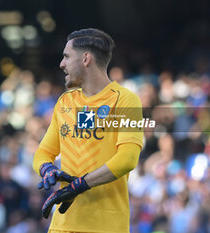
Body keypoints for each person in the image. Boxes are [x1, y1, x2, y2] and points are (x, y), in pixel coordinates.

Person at [32, 28, 144, 233]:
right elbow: (43, 153)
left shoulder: (126, 100)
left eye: (66, 56)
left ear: (86, 59)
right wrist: (47, 169)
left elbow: (127, 158)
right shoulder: (66, 101)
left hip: (105, 227)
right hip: (62, 227)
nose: (61, 64)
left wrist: (79, 186)